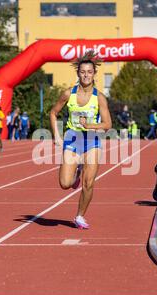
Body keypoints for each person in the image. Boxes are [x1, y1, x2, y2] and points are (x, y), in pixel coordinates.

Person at [50, 50, 112, 230]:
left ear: (94, 74)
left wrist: (91, 125)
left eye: (89, 72)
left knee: (89, 183)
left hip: (92, 141)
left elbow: (108, 124)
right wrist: (57, 135)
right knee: (65, 184)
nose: (86, 75)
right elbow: (53, 113)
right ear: (78, 73)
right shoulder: (68, 94)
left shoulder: (99, 98)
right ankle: (76, 172)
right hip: (72, 139)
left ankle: (79, 216)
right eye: (83, 72)